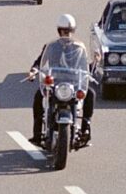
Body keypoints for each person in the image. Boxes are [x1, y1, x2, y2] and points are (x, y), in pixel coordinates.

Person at [27, 14, 93, 146]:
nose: (66, 33)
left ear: (73, 31)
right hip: (56, 82)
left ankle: (85, 128)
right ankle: (37, 133)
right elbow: (41, 61)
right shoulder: (51, 46)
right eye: (64, 30)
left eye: (68, 31)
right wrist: (34, 71)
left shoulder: (79, 47)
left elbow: (84, 64)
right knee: (38, 96)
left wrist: (92, 67)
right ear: (59, 31)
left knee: (91, 93)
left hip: (73, 83)